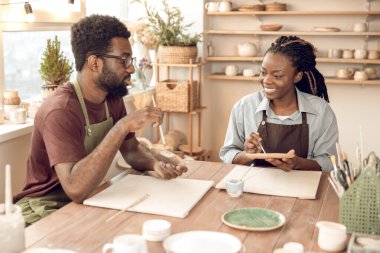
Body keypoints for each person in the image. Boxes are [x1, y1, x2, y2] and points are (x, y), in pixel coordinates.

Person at [14, 15, 187, 226]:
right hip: (45, 208)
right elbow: (75, 188)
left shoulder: (111, 97)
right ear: (95, 63)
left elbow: (131, 150)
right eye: (124, 59)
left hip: (88, 198)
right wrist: (122, 126)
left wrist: (154, 163)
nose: (132, 68)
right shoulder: (60, 110)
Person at [220, 36, 338, 172]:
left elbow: (329, 162)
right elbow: (227, 154)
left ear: (297, 76)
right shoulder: (244, 106)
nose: (266, 81)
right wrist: (248, 155)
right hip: (254, 185)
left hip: (302, 187)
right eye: (263, 72)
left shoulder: (321, 111)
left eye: (277, 76)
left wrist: (297, 163)